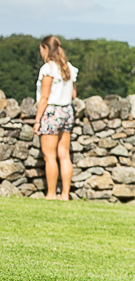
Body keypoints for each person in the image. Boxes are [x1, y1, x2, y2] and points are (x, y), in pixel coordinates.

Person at [33, 35, 79, 200]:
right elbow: (74, 94)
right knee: (64, 154)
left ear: (46, 48)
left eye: (41, 49)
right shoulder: (69, 68)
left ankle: (51, 193)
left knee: (49, 155)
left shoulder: (48, 69)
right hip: (67, 111)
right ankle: (65, 194)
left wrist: (37, 120)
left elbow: (44, 97)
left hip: (52, 112)